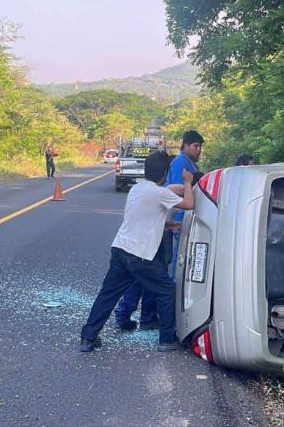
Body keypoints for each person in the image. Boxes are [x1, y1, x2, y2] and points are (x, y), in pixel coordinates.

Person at [79, 151, 194, 353]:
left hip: (121, 249)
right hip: (140, 255)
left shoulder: (138, 189)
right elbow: (189, 204)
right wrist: (188, 182)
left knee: (108, 294)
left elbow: (141, 216)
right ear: (165, 173)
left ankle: (88, 338)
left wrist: (164, 225)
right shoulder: (159, 192)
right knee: (166, 289)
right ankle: (167, 340)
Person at [164, 130, 204, 278]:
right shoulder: (180, 162)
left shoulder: (191, 164)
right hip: (179, 216)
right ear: (185, 145)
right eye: (195, 146)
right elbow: (176, 191)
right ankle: (175, 290)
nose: (198, 150)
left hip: (187, 215)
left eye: (200, 147)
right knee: (179, 256)